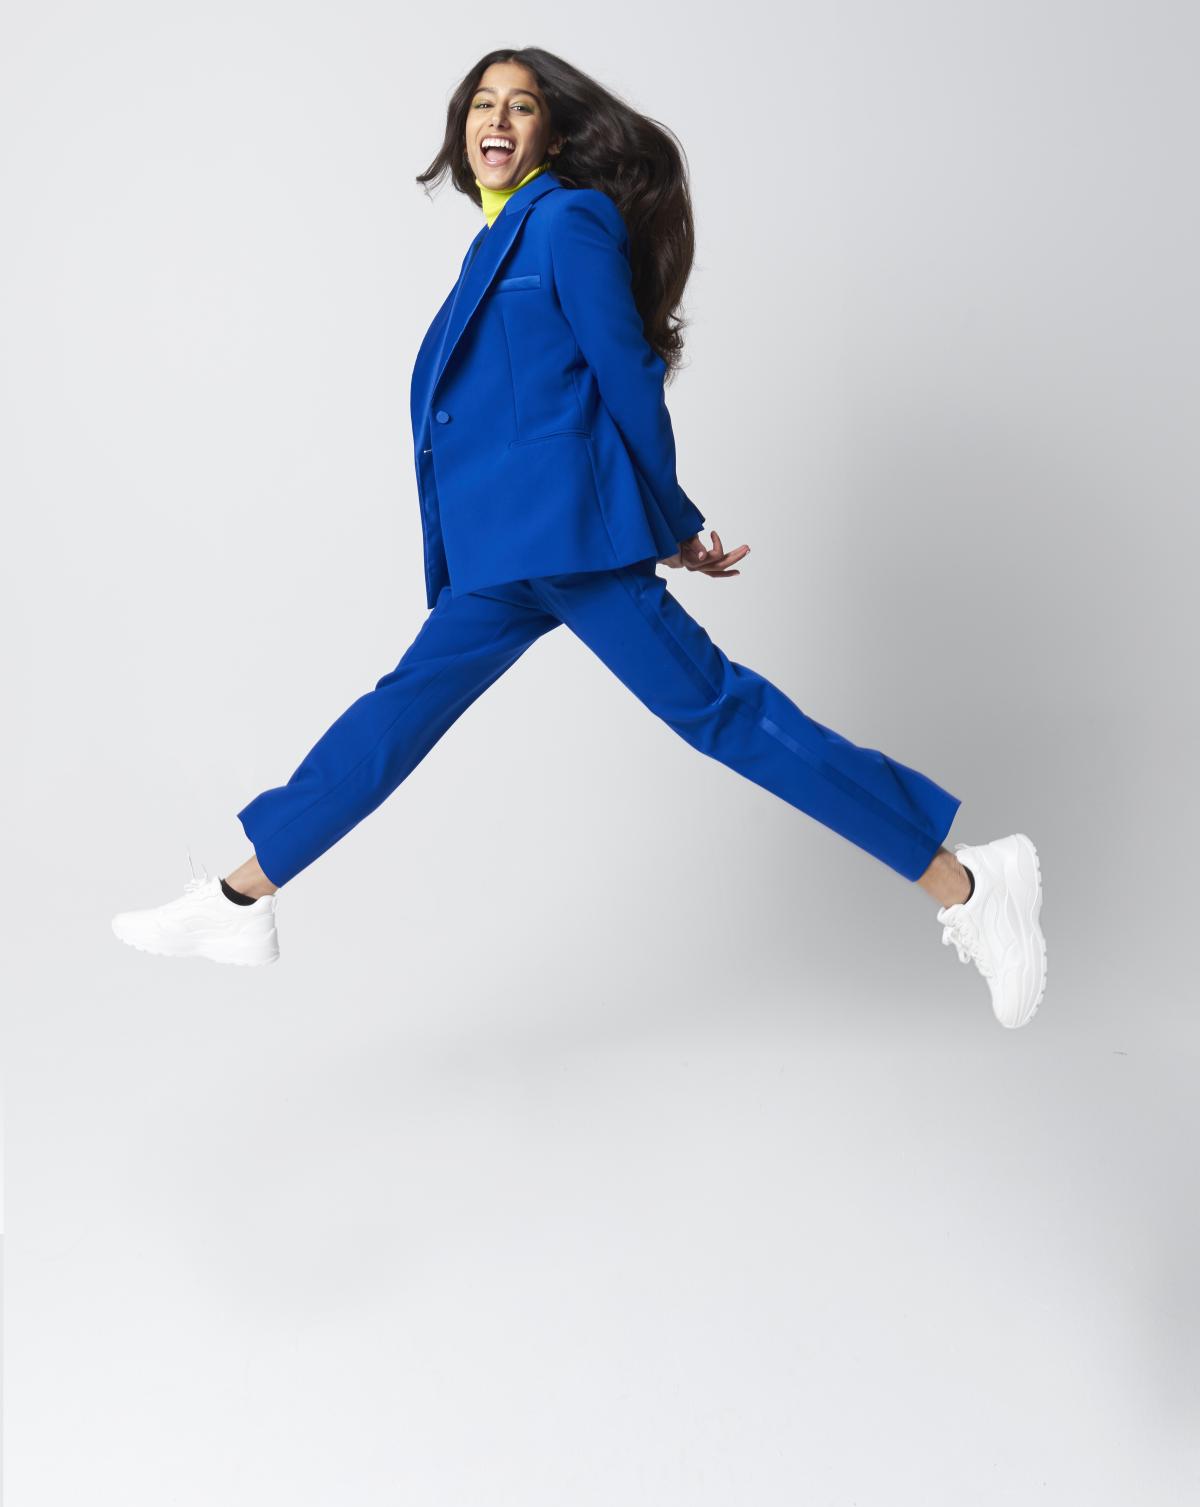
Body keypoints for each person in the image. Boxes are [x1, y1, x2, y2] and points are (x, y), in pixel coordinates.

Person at [112, 47, 1046, 1029]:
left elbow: (625, 375)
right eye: (482, 103)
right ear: (462, 129)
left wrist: (670, 520)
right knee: (394, 722)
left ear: (552, 133)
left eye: (521, 105)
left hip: (571, 540)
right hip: (503, 554)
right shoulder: (495, 240)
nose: (497, 119)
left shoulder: (568, 220)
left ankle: (967, 883)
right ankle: (238, 900)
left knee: (723, 715)